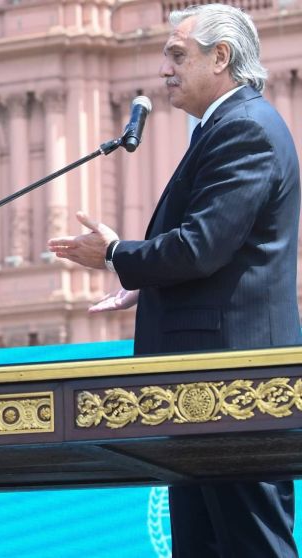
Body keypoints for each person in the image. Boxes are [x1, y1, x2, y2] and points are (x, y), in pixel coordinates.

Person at [48, 5, 300, 557]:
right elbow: (222, 252)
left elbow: (202, 245)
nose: (165, 68)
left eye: (177, 55)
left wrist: (116, 253)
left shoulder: (245, 129)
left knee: (251, 541)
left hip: (235, 388)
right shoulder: (226, 127)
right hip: (205, 389)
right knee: (207, 543)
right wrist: (148, 281)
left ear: (221, 57)